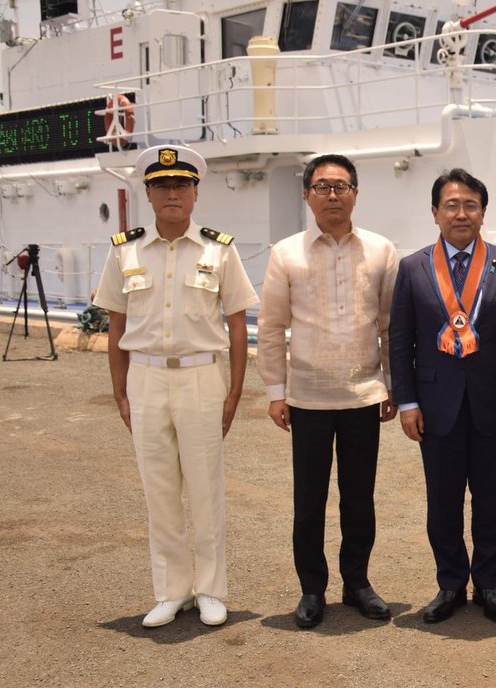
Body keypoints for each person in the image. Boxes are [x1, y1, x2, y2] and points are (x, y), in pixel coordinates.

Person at [96, 144, 257, 628]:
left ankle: (209, 589)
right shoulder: (124, 250)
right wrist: (120, 392)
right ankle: (171, 591)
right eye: (162, 185)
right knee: (159, 489)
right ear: (148, 193)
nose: (172, 193)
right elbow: (116, 325)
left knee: (206, 489)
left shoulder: (218, 250)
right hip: (145, 377)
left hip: (201, 377)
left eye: (181, 185)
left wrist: (233, 392)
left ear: (195, 193)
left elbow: (236, 325)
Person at [256, 154, 400, 629]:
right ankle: (312, 589)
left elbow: (390, 326)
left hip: (363, 395)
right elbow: (271, 327)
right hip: (307, 398)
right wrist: (275, 391)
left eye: (341, 186)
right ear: (306, 195)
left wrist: (392, 385)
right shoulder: (286, 253)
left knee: (359, 498)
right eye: (322, 187)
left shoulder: (381, 250)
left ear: (355, 193)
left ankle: (357, 583)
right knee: (309, 500)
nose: (332, 195)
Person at [389, 169, 496, 624]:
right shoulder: (412, 267)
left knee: (492, 499)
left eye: (471, 205)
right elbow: (400, 341)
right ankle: (450, 584)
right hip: (435, 407)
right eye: (451, 205)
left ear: (483, 212)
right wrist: (407, 402)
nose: (461, 213)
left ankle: (489, 584)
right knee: (443, 501)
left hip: (493, 403)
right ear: (435, 212)